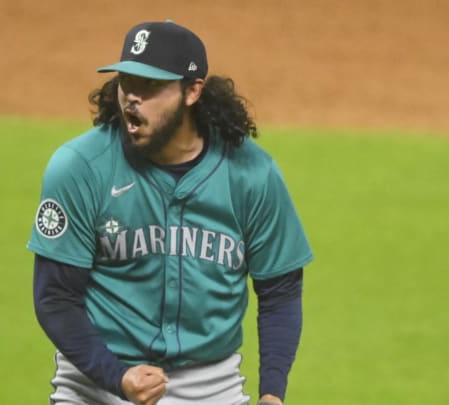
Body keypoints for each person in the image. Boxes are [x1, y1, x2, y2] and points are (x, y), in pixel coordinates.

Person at [27, 20, 313, 405]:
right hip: (95, 380)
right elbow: (55, 296)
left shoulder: (251, 175)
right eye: (127, 82)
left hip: (211, 388)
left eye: (152, 87)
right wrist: (118, 376)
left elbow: (280, 289)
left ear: (192, 91)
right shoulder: (81, 167)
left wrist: (272, 393)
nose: (132, 98)